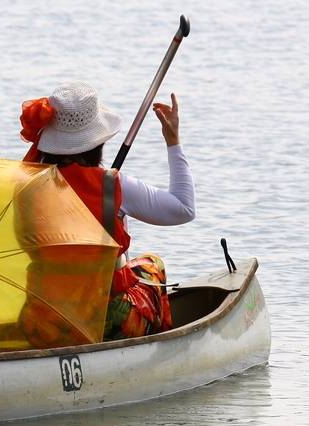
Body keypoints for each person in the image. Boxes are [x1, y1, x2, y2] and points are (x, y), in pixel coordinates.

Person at [19, 82, 195, 342]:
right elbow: (184, 209)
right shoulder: (113, 186)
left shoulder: (27, 188)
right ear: (97, 142)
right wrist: (173, 142)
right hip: (104, 320)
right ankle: (156, 352)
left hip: (41, 319)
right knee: (152, 265)